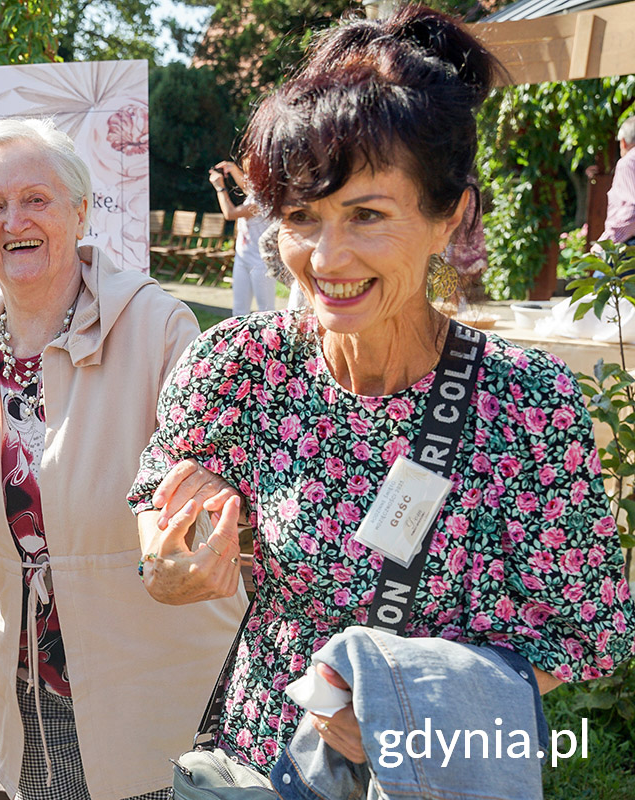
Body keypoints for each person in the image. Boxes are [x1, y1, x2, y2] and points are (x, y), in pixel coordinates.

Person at [129, 5, 635, 778]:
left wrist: (415, 716)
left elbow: (585, 632)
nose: (328, 257)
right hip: (268, 765)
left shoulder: (527, 404)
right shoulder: (237, 372)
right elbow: (158, 504)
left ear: (450, 217)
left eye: (367, 215)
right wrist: (163, 572)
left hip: (441, 771)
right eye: (302, 216)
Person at [0, 117, 245, 800]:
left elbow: (201, 487)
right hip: (27, 677)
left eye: (37, 198)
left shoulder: (159, 326)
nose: (16, 219)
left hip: (148, 668)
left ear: (78, 212)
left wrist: (189, 548)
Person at [209, 159, 277, 315]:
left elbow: (230, 213)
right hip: (243, 258)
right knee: (239, 309)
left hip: (261, 263)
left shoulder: (266, 199)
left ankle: (269, 339)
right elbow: (247, 187)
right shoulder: (257, 193)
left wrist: (220, 188)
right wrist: (232, 168)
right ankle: (239, 339)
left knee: (265, 311)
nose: (247, 177)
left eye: (250, 172)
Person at [597, 116, 635, 247]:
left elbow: (631, 211)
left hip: (628, 246)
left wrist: (605, 244)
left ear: (623, 142)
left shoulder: (629, 162)